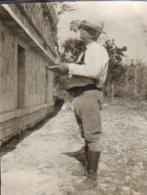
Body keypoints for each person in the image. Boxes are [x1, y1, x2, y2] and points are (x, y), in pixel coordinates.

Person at [49, 19, 109, 190]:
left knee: (93, 135)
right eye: (82, 28)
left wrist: (67, 67)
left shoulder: (97, 49)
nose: (81, 31)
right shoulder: (88, 50)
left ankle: (92, 177)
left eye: (85, 29)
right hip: (81, 94)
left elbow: (93, 71)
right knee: (85, 131)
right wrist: (64, 70)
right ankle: (84, 154)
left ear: (93, 34)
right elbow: (82, 70)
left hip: (89, 93)